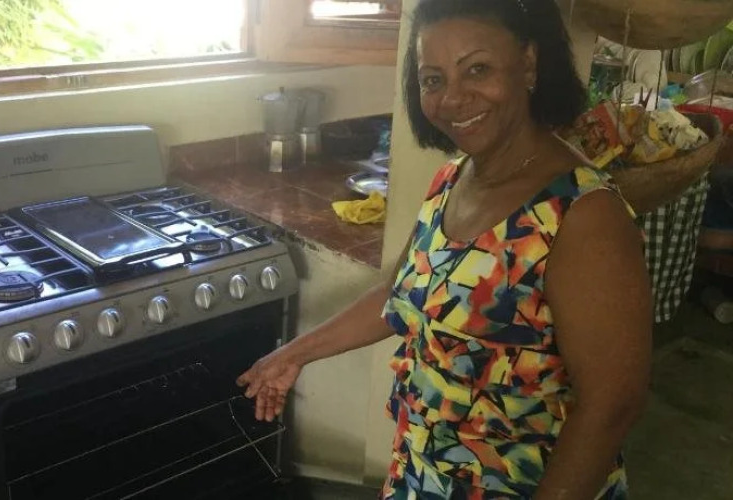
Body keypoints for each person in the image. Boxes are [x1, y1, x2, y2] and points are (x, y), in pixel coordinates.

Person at [236, 0, 653, 497]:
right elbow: (401, 293)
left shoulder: (583, 215)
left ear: (528, 64)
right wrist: (294, 354)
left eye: (477, 69)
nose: (452, 98)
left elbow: (611, 406)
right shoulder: (454, 178)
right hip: (423, 474)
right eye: (433, 79)